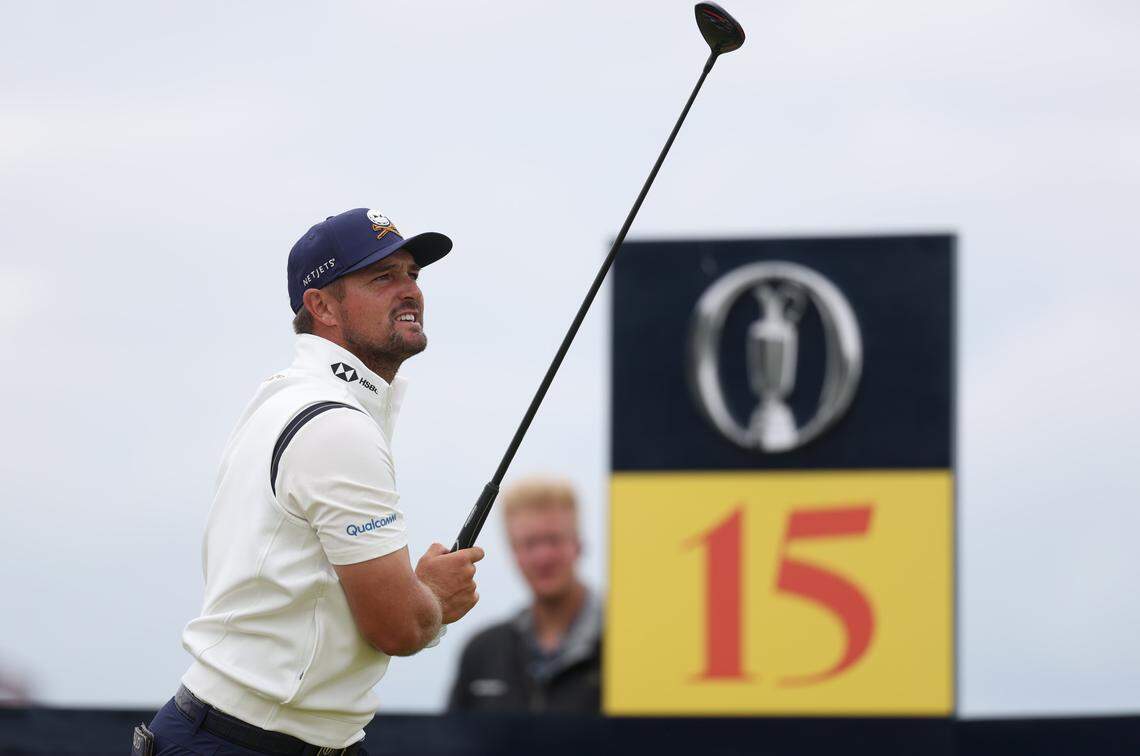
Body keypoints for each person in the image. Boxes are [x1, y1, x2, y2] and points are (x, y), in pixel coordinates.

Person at [141, 208, 484, 755]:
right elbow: (396, 627)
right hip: (243, 742)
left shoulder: (292, 397)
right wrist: (435, 599)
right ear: (320, 305)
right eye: (382, 277)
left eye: (412, 275)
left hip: (268, 737)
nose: (409, 292)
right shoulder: (335, 424)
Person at [448, 477, 602, 713]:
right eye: (529, 544)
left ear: (578, 544)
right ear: (513, 552)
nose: (543, 557)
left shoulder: (629, 644)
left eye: (553, 540)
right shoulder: (482, 652)